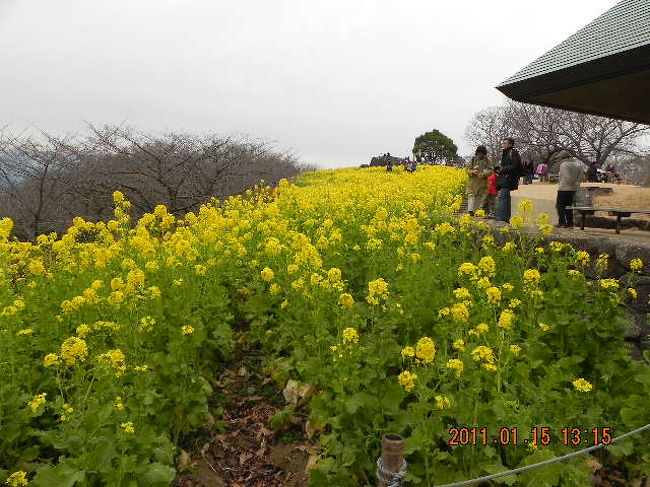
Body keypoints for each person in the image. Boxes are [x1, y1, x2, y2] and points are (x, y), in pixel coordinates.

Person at [555, 151, 585, 228]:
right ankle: (570, 223)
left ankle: (562, 222)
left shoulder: (564, 165)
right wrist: (576, 183)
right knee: (568, 206)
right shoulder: (577, 165)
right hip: (573, 188)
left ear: (563, 158)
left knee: (560, 206)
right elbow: (581, 175)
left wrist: (564, 182)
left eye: (559, 158)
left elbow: (567, 177)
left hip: (564, 187)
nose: (558, 160)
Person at [495, 137, 522, 223]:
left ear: (510, 144)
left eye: (505, 143)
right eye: (503, 143)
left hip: (509, 179)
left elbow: (516, 165)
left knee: (503, 197)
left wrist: (503, 169)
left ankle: (502, 218)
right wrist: (499, 170)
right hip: (505, 178)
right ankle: (505, 217)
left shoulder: (513, 152)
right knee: (505, 197)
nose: (503, 145)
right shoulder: (506, 153)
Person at [465, 145, 491, 215]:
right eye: (479, 152)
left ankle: (475, 211)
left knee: (479, 197)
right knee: (471, 195)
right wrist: (473, 172)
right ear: (477, 152)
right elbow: (467, 169)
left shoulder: (488, 161)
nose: (480, 154)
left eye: (482, 153)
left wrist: (484, 174)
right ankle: (470, 211)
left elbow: (491, 170)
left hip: (482, 183)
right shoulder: (473, 159)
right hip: (472, 182)